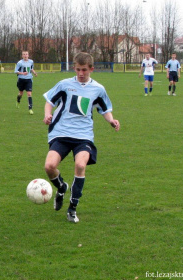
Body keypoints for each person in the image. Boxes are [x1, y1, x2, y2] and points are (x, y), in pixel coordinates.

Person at [43, 52, 120, 223]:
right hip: (61, 133)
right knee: (49, 166)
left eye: (84, 70)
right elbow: (49, 101)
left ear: (91, 69)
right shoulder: (64, 85)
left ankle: (72, 208)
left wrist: (112, 121)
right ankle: (61, 186)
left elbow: (104, 109)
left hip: (83, 135)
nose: (80, 73)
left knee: (80, 164)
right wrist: (48, 114)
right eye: (78, 69)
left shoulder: (98, 89)